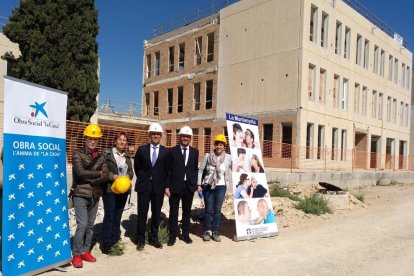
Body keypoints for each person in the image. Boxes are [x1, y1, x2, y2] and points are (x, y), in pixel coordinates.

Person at [71, 124, 108, 268]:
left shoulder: (101, 157)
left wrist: (93, 177)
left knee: (91, 226)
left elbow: (105, 175)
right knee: (83, 224)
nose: (93, 142)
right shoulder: (77, 154)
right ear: (85, 138)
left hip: (95, 194)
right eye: (90, 138)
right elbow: (80, 173)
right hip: (80, 194)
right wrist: (97, 174)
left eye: (96, 139)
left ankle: (86, 250)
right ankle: (77, 254)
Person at [134, 123, 169, 251]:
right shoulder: (142, 149)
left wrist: (165, 186)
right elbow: (137, 167)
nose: (155, 136)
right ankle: (140, 239)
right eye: (153, 133)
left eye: (157, 134)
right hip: (144, 186)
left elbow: (167, 170)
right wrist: (144, 178)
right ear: (149, 135)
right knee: (142, 213)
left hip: (158, 187)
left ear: (160, 136)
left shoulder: (166, 152)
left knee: (156, 214)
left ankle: (153, 238)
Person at [165, 126, 199, 246]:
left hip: (188, 187)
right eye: (183, 136)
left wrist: (195, 184)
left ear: (190, 138)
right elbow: (168, 170)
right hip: (175, 186)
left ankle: (185, 235)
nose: (185, 138)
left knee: (187, 212)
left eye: (187, 136)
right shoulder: (172, 151)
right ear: (180, 137)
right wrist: (166, 186)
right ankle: (172, 236)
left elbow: (195, 169)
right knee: (173, 212)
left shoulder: (195, 152)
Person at [101, 132, 134, 255]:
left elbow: (131, 173)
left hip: (123, 191)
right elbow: (102, 170)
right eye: (120, 139)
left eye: (124, 140)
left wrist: (127, 176)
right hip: (110, 189)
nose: (122, 142)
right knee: (109, 215)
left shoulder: (127, 157)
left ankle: (115, 239)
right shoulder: (107, 153)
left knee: (118, 215)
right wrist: (113, 176)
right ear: (115, 141)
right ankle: (106, 242)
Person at [198, 134, 232, 242]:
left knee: (217, 210)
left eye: (221, 144)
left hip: (221, 186)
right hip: (208, 185)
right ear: (215, 145)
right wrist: (199, 185)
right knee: (208, 209)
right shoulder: (208, 156)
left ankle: (215, 231)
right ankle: (207, 231)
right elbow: (200, 170)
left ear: (224, 146)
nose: (219, 146)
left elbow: (236, 168)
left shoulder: (228, 157)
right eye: (217, 144)